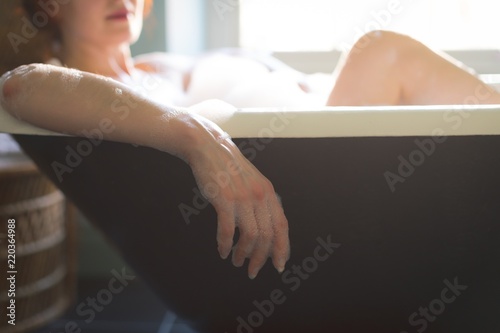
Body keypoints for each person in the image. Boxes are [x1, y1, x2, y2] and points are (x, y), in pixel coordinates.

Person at [1, 0, 500, 281]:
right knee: (382, 52)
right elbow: (19, 87)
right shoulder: (72, 86)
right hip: (316, 199)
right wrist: (198, 139)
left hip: (341, 162)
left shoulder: (169, 67)